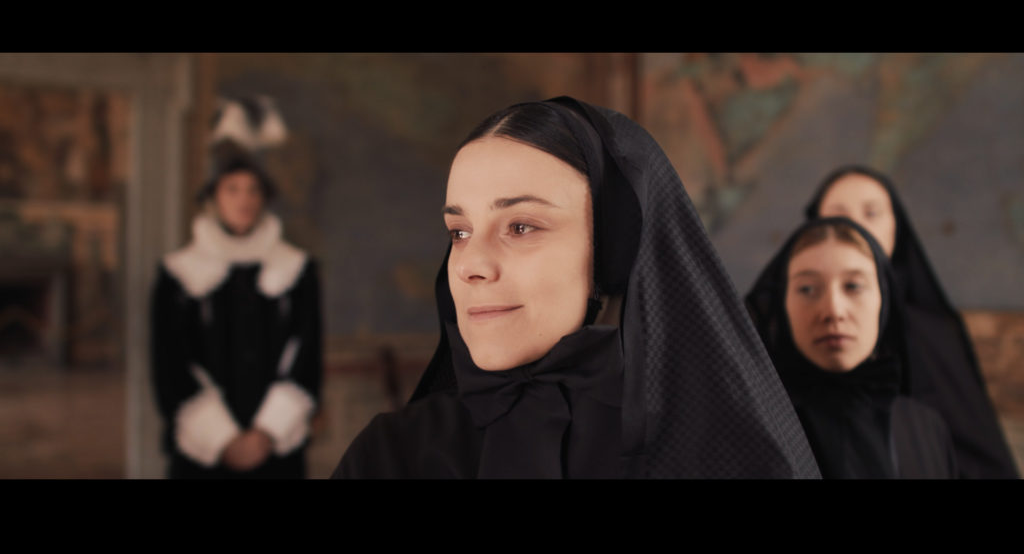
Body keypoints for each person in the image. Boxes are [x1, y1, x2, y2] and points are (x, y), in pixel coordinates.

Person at [332, 96, 820, 479]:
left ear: (612, 248)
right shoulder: (391, 454)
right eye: (459, 232)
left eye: (520, 226)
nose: (471, 266)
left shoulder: (717, 453)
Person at [804, 165, 1018, 479]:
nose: (856, 227)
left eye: (872, 213)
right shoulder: (784, 329)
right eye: (838, 215)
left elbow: (977, 456)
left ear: (896, 227)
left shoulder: (933, 333)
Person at [150, 96, 323, 479]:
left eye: (253, 190)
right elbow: (169, 365)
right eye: (232, 189)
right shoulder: (178, 273)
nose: (244, 200)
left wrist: (265, 433)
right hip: (203, 455)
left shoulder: (296, 269)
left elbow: (306, 356)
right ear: (213, 196)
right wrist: (224, 439)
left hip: (276, 451)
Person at [745, 216, 957, 478]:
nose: (834, 311)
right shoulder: (752, 429)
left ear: (884, 299)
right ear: (781, 304)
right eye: (807, 289)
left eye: (853, 286)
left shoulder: (925, 428)